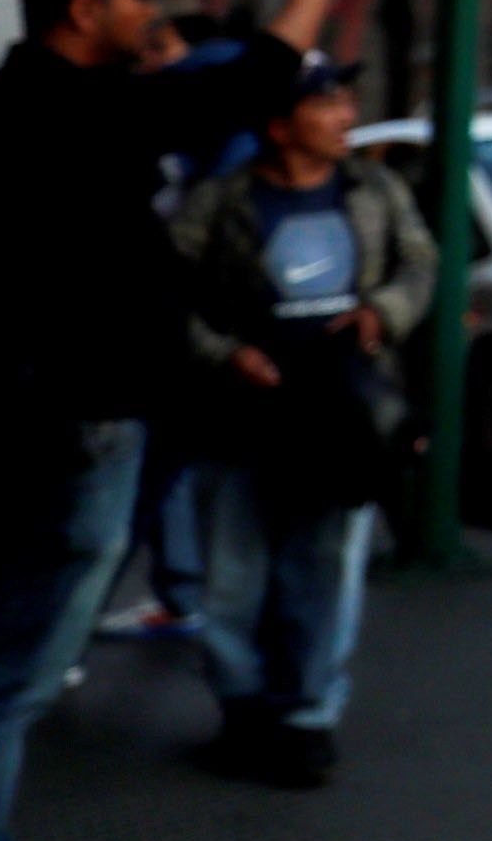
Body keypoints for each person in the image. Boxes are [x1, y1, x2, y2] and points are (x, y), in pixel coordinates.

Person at [0, 0, 362, 841]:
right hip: (63, 435)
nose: (153, 11)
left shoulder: (57, 98)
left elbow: (214, 87)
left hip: (50, 428)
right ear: (82, 10)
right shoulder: (60, 109)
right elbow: (247, 83)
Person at [167, 53, 435, 786]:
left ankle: (307, 715)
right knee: (234, 574)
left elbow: (419, 263)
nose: (347, 116)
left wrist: (383, 313)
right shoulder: (220, 201)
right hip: (244, 417)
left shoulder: (374, 189)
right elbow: (168, 293)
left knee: (324, 571)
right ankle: (243, 710)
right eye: (328, 105)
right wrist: (223, 355)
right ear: (281, 126)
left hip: (341, 419)